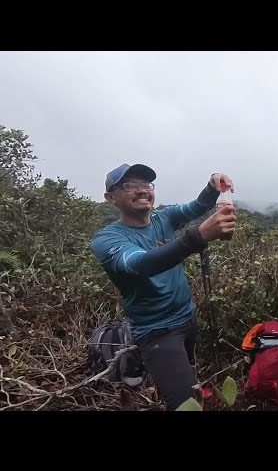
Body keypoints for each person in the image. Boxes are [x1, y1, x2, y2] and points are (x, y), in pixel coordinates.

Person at [91, 163, 236, 411]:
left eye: (146, 185)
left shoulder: (164, 218)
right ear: (110, 198)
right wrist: (197, 237)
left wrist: (213, 184)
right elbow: (141, 264)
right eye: (130, 186)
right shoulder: (107, 240)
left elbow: (198, 206)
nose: (141, 190)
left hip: (187, 318)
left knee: (189, 386)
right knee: (188, 405)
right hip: (157, 332)